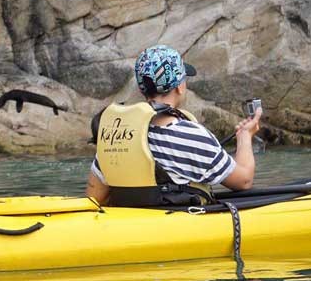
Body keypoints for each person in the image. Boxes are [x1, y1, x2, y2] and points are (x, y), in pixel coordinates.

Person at [85, 45, 262, 207]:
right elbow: (244, 180)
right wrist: (245, 137)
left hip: (129, 231)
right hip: (178, 231)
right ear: (180, 86)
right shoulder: (191, 135)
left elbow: (94, 199)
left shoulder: (115, 137)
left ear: (142, 89)